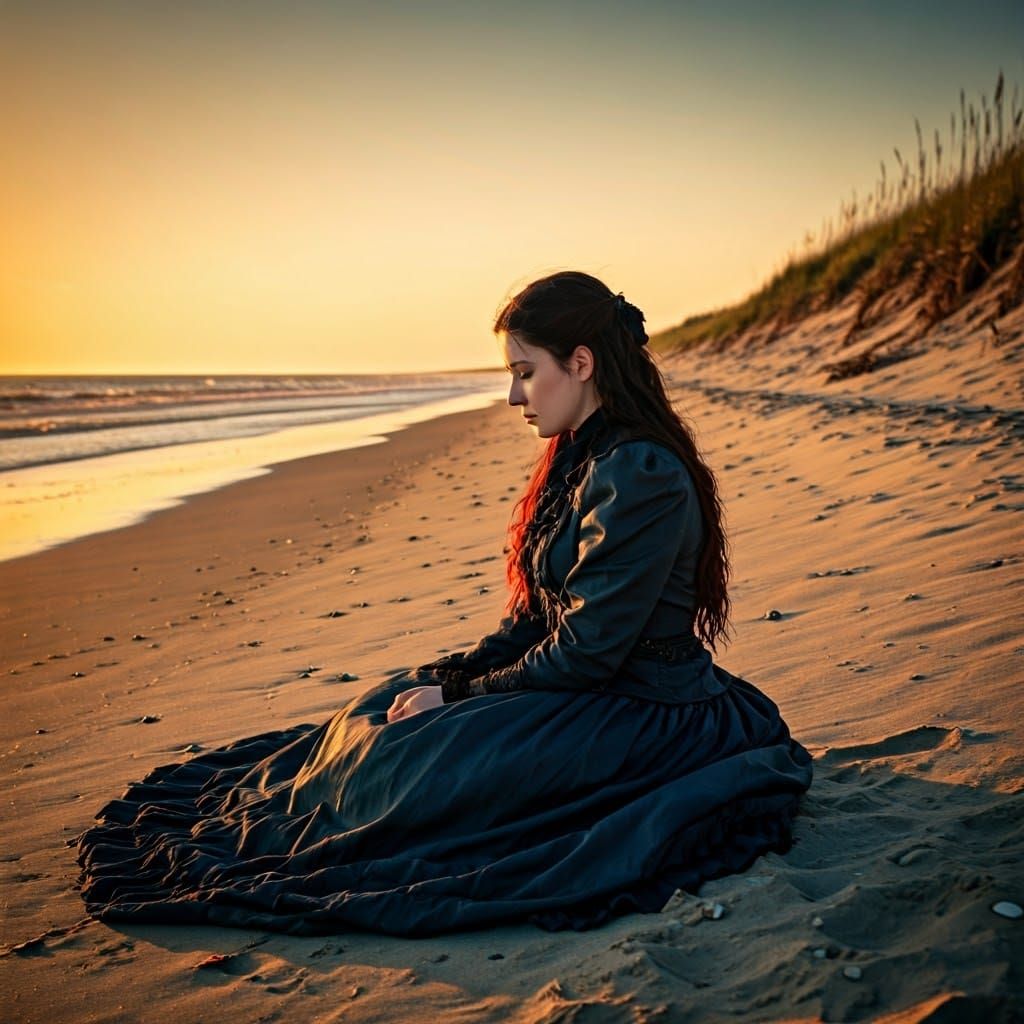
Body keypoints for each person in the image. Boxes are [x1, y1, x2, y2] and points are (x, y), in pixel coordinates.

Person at [76, 271, 813, 937]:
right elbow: (537, 622)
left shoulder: (640, 472)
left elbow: (588, 651)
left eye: (527, 374)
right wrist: (452, 674)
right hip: (588, 686)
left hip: (644, 711)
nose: (514, 397)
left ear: (580, 364)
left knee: (426, 765)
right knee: (388, 709)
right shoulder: (583, 457)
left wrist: (463, 693)